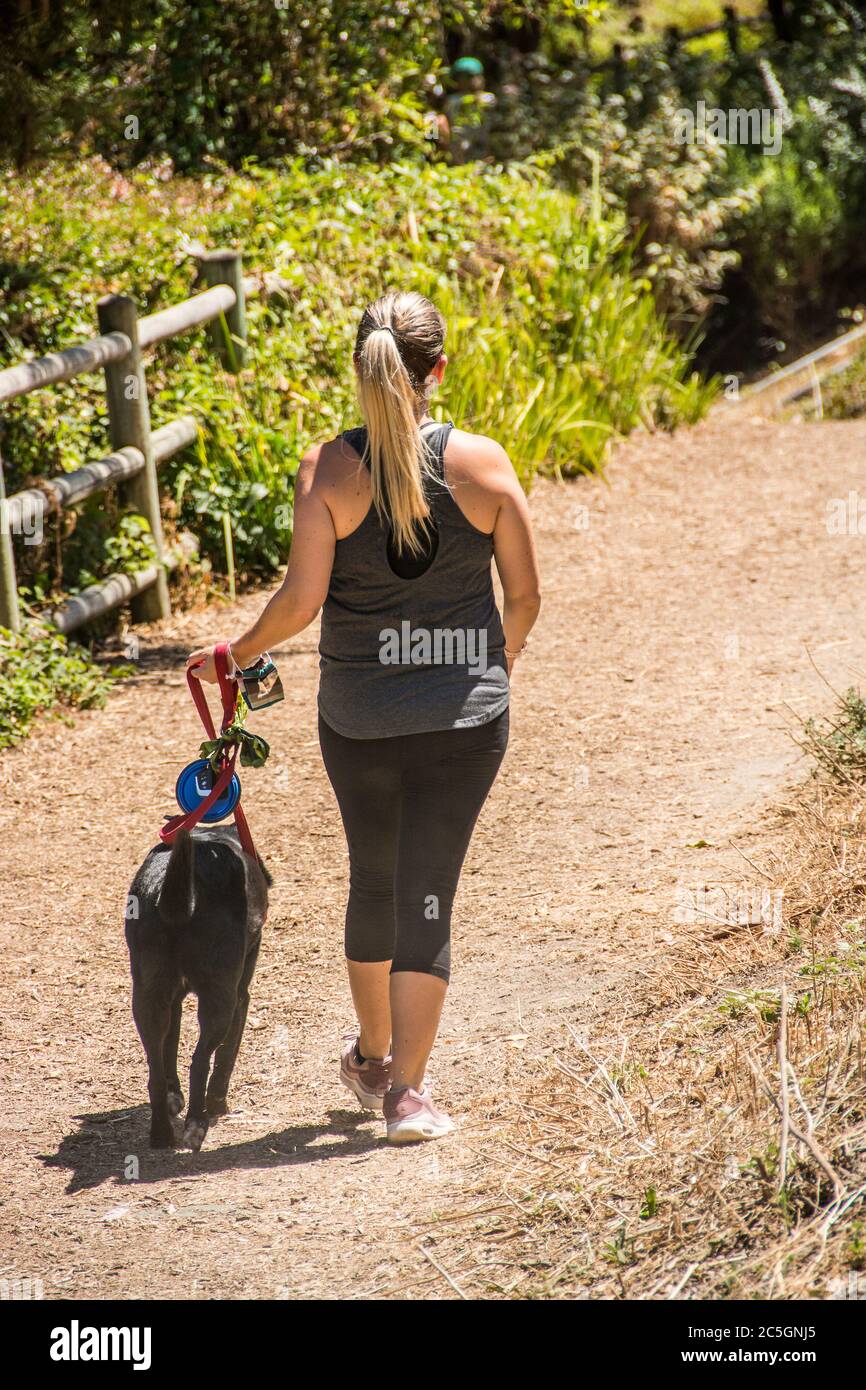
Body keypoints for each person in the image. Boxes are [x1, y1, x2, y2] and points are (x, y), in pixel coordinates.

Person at [186, 291, 541, 1143]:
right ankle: (407, 1095)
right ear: (438, 372)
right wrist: (493, 667)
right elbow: (525, 597)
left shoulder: (327, 472)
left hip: (360, 722)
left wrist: (231, 653)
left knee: (375, 879)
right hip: (466, 723)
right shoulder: (485, 466)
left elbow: (302, 602)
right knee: (428, 889)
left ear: (361, 369)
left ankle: (374, 1056)